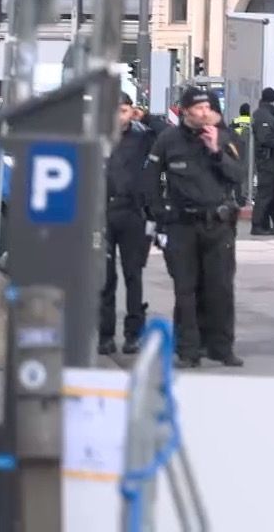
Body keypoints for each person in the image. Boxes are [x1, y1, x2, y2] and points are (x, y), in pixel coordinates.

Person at [145, 87, 245, 368]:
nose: (204, 113)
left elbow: (238, 175)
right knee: (185, 290)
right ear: (186, 111)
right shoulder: (168, 140)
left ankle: (222, 347)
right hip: (181, 225)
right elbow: (150, 179)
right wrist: (158, 216)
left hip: (218, 225)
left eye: (208, 108)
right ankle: (189, 350)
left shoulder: (224, 137)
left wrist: (216, 151)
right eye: (198, 109)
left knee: (220, 288)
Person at [100, 93, 159, 356]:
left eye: (123, 110)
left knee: (133, 275)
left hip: (133, 212)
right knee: (105, 278)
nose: (118, 116)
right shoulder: (98, 137)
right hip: (103, 213)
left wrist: (145, 117)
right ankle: (105, 335)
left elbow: (167, 135)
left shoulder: (142, 137)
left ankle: (133, 334)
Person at [250, 88, 274, 235]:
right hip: (267, 159)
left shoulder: (266, 113)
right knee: (265, 192)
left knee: (273, 192)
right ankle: (258, 225)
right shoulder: (264, 115)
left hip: (272, 159)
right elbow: (265, 138)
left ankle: (273, 224)